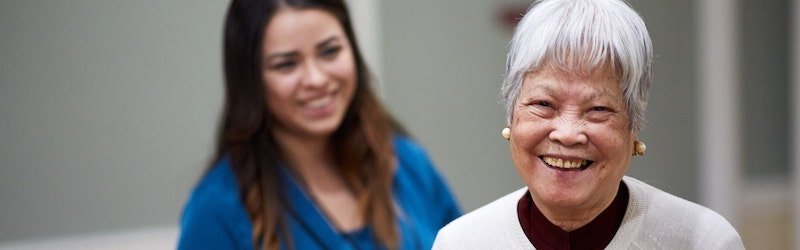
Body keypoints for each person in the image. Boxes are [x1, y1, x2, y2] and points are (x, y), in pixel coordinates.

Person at [433, 0, 744, 249]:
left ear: (632, 127)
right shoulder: (461, 243)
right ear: (512, 116)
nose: (567, 134)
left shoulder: (704, 241)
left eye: (598, 109)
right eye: (544, 104)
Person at [177, 0, 461, 249]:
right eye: (286, 64)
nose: (316, 79)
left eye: (329, 52)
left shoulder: (408, 165)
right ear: (250, 81)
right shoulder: (217, 210)